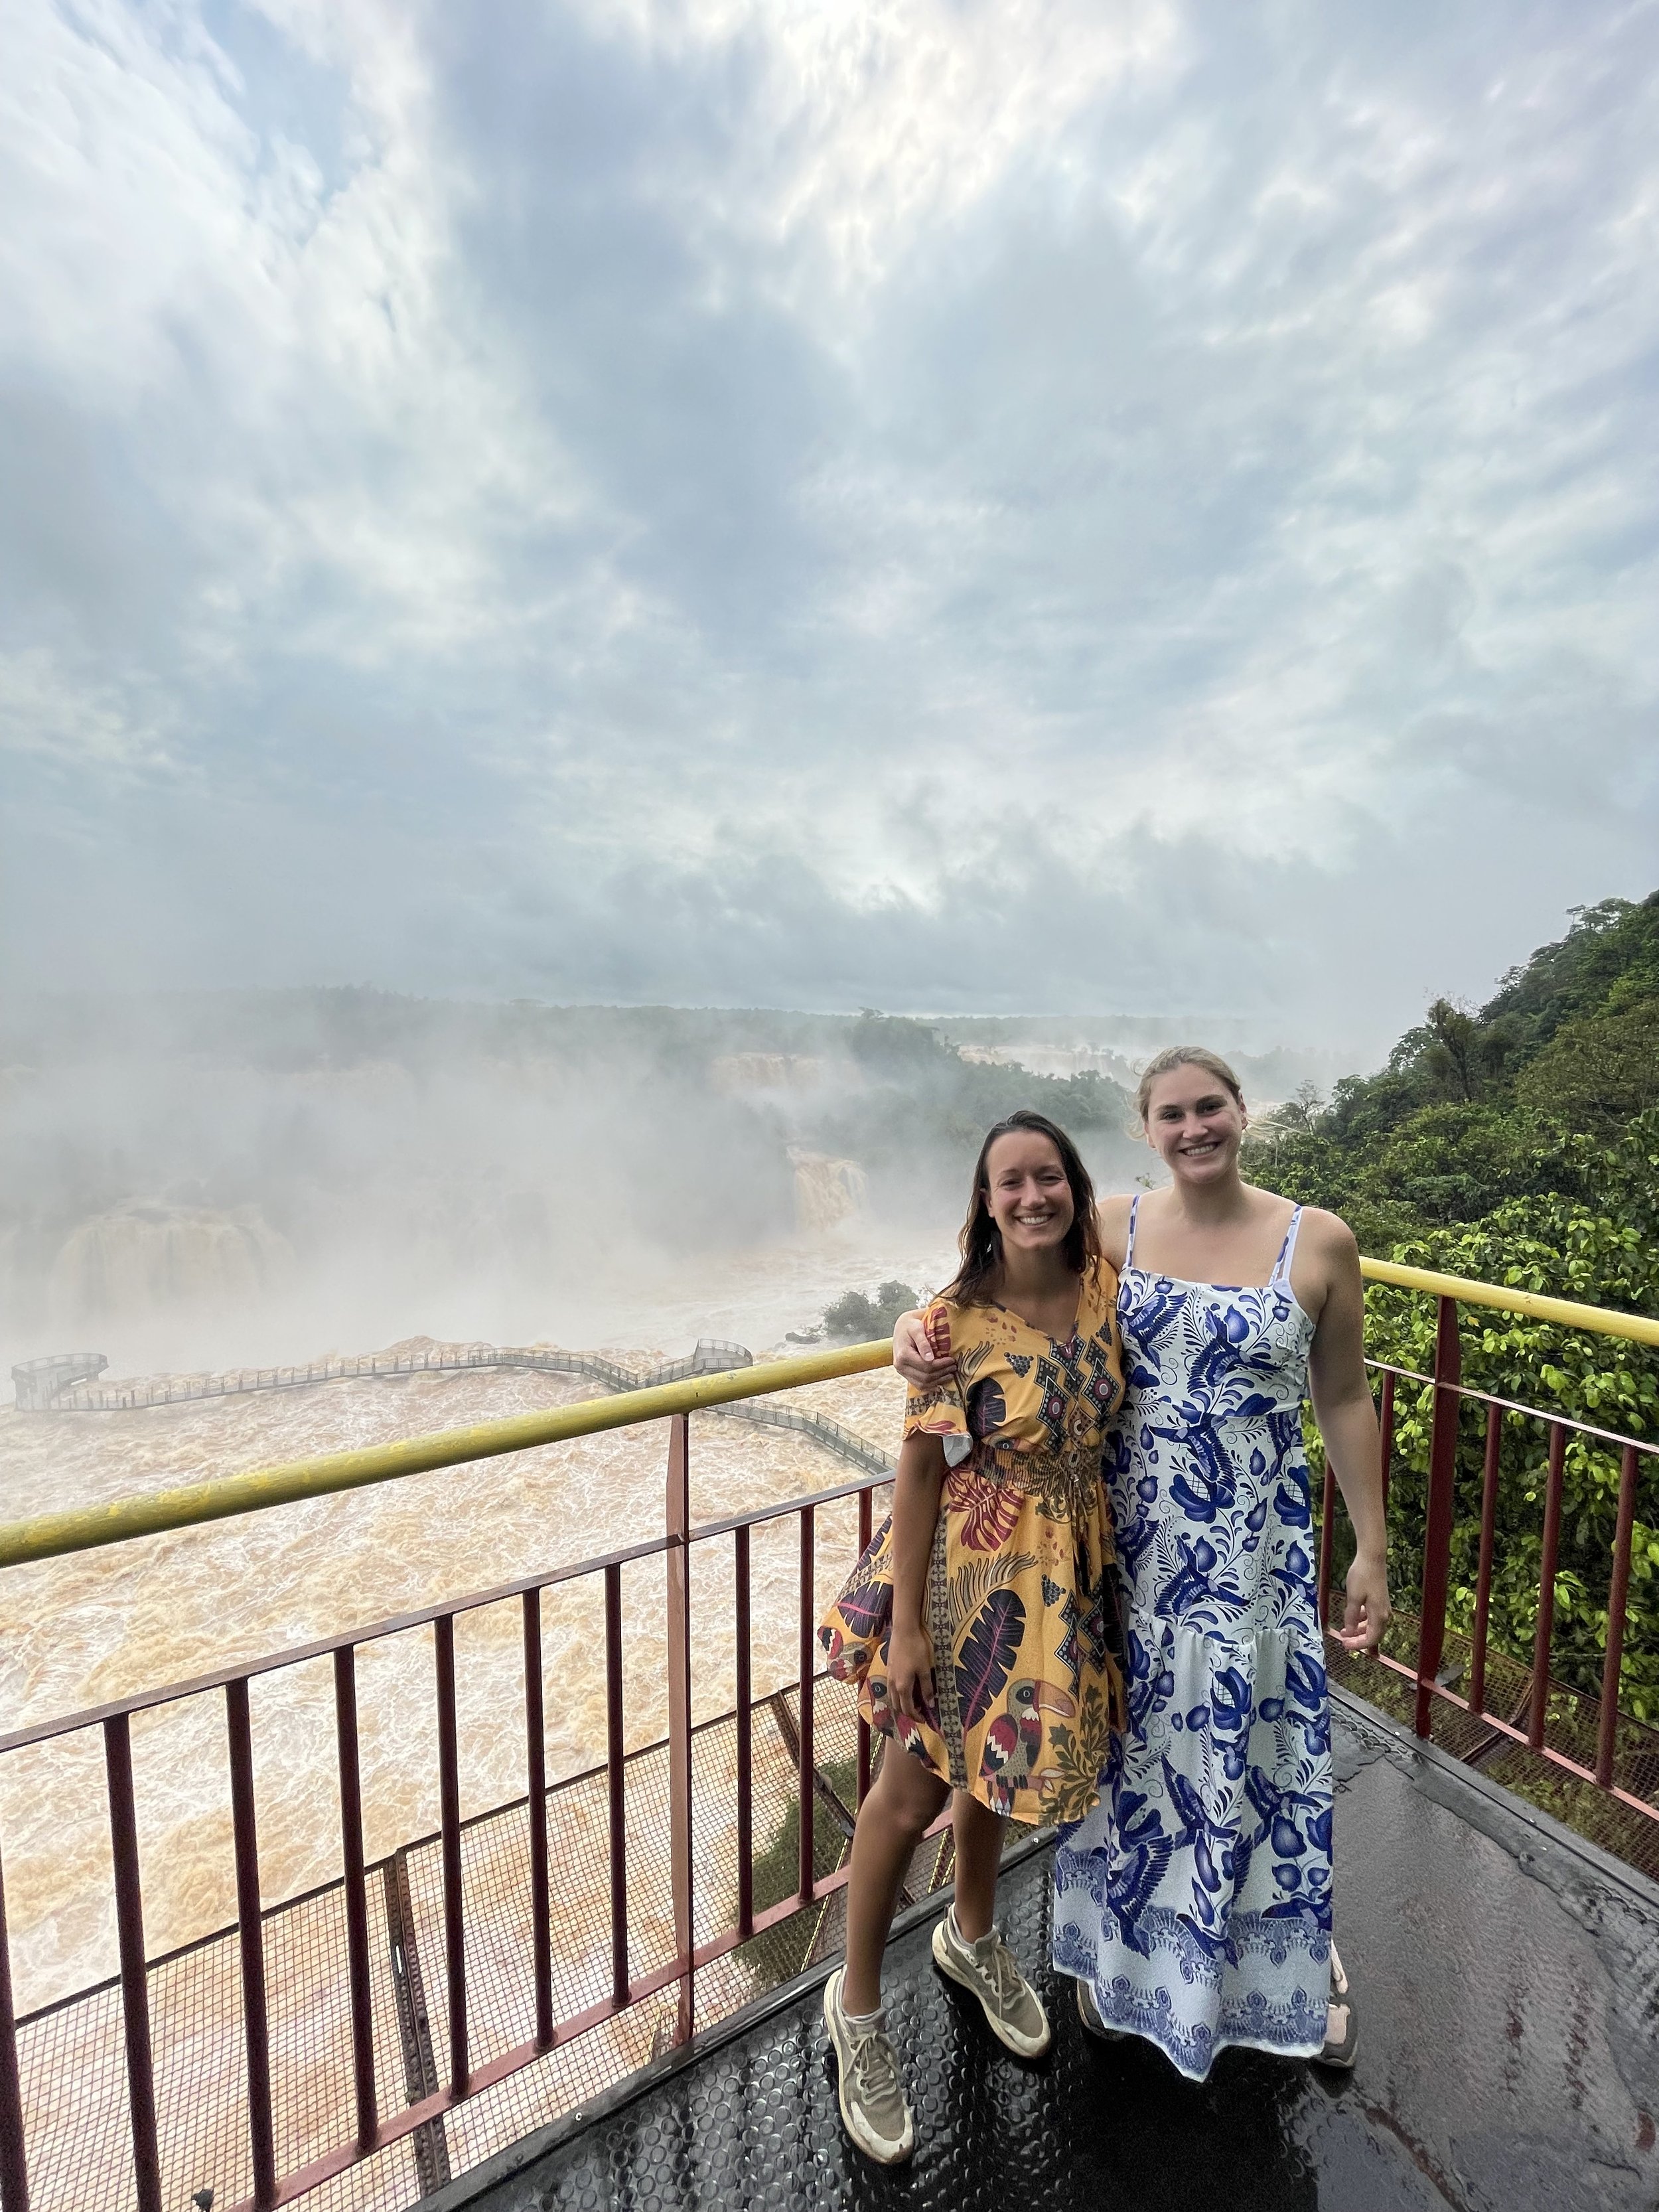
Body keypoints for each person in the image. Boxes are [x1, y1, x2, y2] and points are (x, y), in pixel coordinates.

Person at [893, 1046, 1389, 2084]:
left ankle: (1278, 1969)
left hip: (1253, 1556)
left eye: (1210, 1107)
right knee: (1140, 1765)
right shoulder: (1111, 1226)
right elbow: (993, 1289)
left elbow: (1343, 1400)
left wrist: (1371, 1546)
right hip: (1119, 1558)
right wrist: (910, 1329)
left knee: (1254, 1754)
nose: (1194, 1126)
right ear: (1147, 1128)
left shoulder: (1320, 1241)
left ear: (1243, 1113)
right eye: (1172, 1113)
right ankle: (1127, 1958)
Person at [818, 1109, 1129, 2164]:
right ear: (985, 1200)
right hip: (969, 1578)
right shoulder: (954, 1324)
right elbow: (918, 1470)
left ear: (1076, 1187)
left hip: (1066, 1577)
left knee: (995, 1776)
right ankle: (854, 2007)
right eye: (1012, 1182)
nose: (1032, 1196)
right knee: (909, 1794)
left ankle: (972, 1934)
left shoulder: (1103, 1280)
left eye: (1050, 1177)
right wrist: (906, 1625)